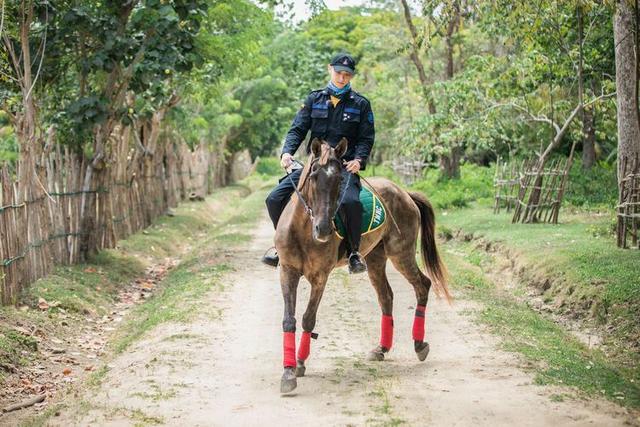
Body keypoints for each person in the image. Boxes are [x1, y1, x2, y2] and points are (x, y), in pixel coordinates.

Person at [262, 53, 375, 274]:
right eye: (338, 73)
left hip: (342, 168)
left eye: (347, 75)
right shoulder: (314, 99)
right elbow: (298, 128)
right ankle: (280, 246)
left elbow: (366, 138)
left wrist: (359, 160)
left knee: (351, 203)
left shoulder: (360, 104)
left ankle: (353, 253)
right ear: (329, 70)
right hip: (314, 167)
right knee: (274, 198)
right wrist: (287, 152)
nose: (342, 78)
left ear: (351, 76)